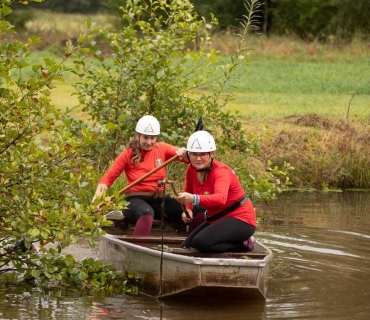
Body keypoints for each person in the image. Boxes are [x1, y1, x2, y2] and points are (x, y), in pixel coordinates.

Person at [92, 115, 188, 237]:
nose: (149, 142)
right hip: (134, 201)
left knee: (187, 210)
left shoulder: (162, 148)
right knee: (146, 212)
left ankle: (187, 246)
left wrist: (185, 153)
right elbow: (108, 177)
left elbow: (191, 160)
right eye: (145, 138)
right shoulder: (127, 153)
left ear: (156, 137)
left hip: (160, 199)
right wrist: (97, 199)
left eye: (152, 138)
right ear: (138, 136)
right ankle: (139, 249)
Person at [175, 130, 256, 253]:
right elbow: (188, 190)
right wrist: (188, 209)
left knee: (200, 243)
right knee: (185, 247)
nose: (198, 159)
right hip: (218, 218)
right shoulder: (191, 169)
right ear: (189, 154)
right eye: (194, 154)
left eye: (202, 154)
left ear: (211, 153)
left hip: (241, 219)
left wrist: (194, 199)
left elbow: (220, 199)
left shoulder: (221, 172)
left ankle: (244, 245)